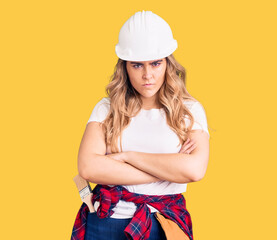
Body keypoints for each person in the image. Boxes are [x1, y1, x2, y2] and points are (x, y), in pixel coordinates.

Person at [71, 10, 210, 240]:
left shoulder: (189, 111)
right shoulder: (106, 109)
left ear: (167, 63)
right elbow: (88, 168)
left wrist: (127, 156)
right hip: (104, 223)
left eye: (155, 64)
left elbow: (194, 170)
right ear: (124, 66)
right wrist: (168, 172)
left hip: (162, 225)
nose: (148, 75)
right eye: (137, 65)